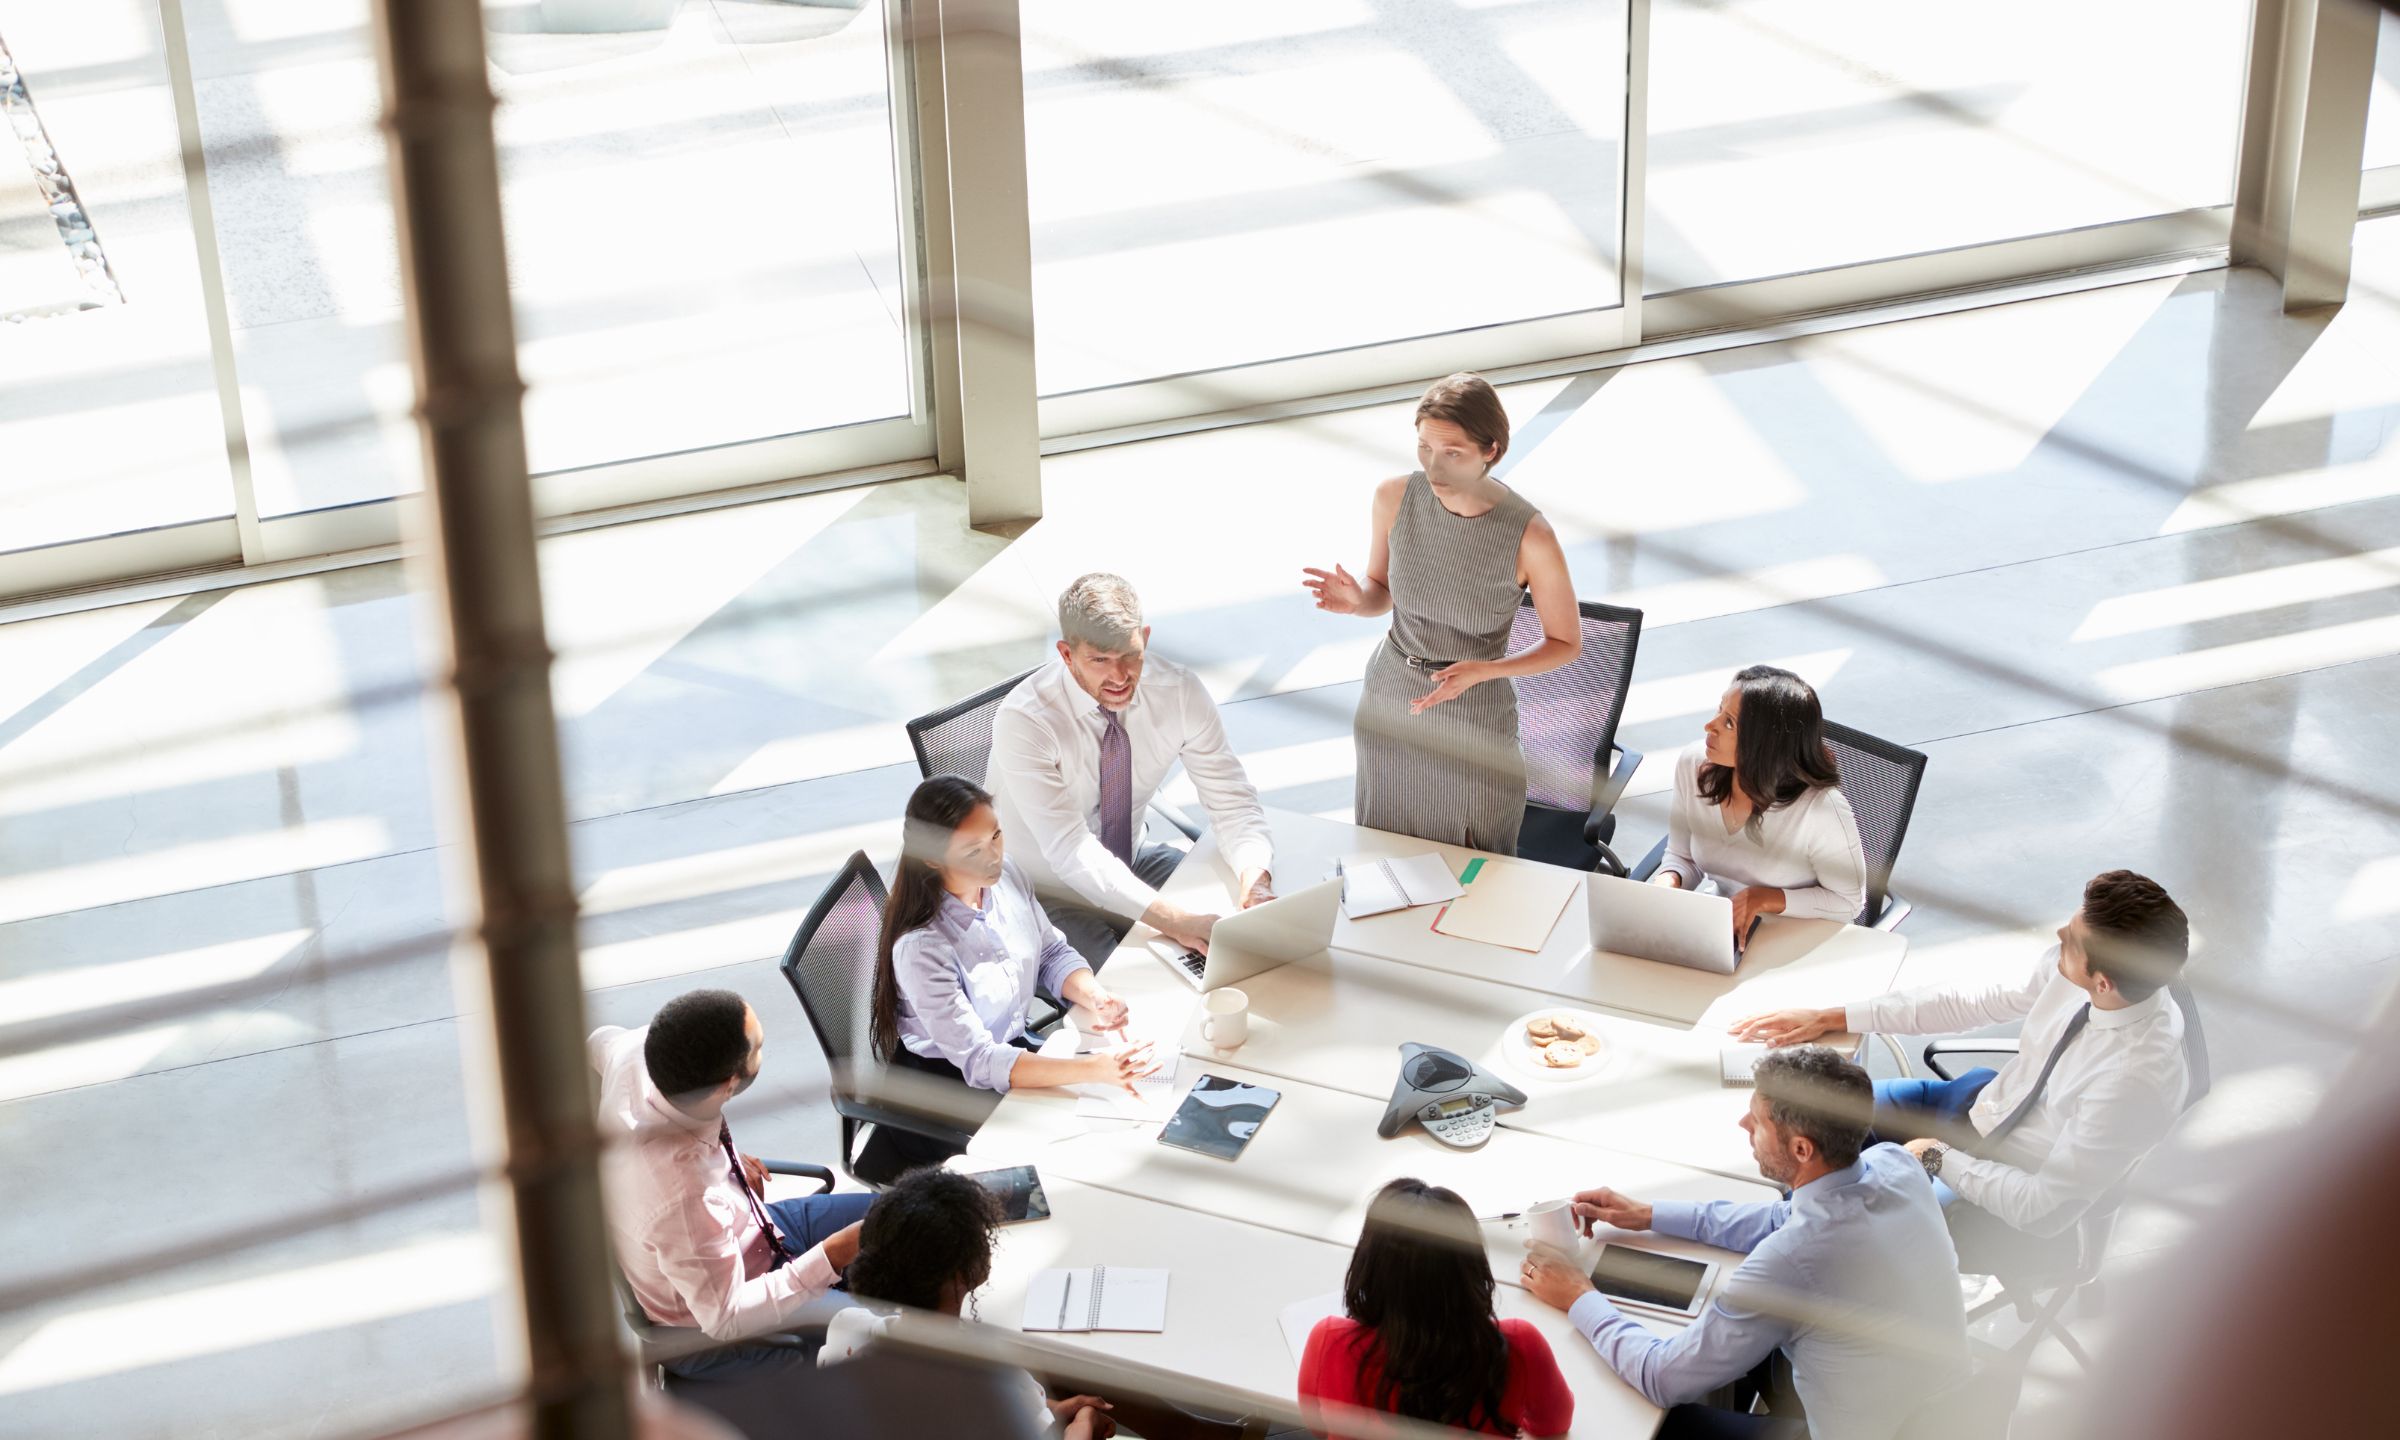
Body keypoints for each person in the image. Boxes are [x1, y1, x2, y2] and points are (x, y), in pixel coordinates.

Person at [1728, 870, 2191, 1274]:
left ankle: (1769, 1285)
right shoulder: (2080, 969)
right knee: (1806, 1114)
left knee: (1841, 1229)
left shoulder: (2136, 1082)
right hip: (1978, 1106)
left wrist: (1937, 1157)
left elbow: (2044, 1210)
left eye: (2070, 939)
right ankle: (1780, 1239)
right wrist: (1836, 1016)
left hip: (2008, 1188)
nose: (2057, 936)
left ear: (2103, 982)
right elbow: (1974, 999)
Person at [1521, 1047, 1967, 1440]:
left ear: (1801, 1150)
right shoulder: (1891, 1162)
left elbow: (1661, 1377)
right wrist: (1649, 1214)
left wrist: (1580, 1296)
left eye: (1758, 1120)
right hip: (1942, 1404)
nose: (1743, 1122)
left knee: (1666, 1423)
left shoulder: (1790, 1262)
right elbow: (1782, 1215)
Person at [1301, 372, 1581, 854]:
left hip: (1474, 712)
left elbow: (1566, 643)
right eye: (1425, 448)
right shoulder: (1394, 497)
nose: (1435, 468)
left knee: (1476, 863)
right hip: (1391, 695)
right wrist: (1357, 601)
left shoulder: (1531, 536)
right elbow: (1382, 590)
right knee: (1385, 852)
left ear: (1490, 449)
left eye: (1453, 452)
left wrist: (1487, 671)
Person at [866, 775, 1157, 1171]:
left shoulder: (1008, 878)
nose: (993, 857)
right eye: (973, 851)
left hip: (1011, 1050)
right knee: (1084, 1153)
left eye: (997, 837)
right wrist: (1094, 1070)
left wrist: (1093, 995)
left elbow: (1051, 953)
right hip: (948, 1094)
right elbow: (980, 1060)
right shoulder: (922, 948)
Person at [988, 572, 1277, 963]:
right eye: (1100, 660)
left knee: (1243, 942)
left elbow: (1233, 802)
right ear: (1067, 654)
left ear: (1146, 637)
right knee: (1127, 987)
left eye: (1130, 654)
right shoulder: (1026, 720)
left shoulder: (1178, 693)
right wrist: (1175, 920)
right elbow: (1070, 851)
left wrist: (1255, 878)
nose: (1120, 676)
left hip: (1132, 857)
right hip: (1044, 890)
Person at [590, 989, 875, 1379]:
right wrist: (833, 1254)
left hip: (757, 1227)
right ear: (728, 1084)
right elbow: (726, 1318)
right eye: (758, 1047)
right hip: (716, 1320)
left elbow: (592, 1042)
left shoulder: (636, 1050)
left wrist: (717, 1154)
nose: (764, 1048)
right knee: (891, 1342)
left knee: (900, 1213)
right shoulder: (684, 1195)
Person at [819, 1167, 1119, 1439]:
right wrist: (1084, 1424)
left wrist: (1050, 1409)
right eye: (983, 1238)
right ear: (963, 1273)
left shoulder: (847, 1329)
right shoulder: (987, 1376)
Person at [1298, 1178, 1573, 1439]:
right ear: (1471, 1268)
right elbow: (1553, 1424)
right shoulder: (1518, 1344)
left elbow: (1317, 1427)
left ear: (1370, 1265)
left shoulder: (1329, 1340)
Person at [1651, 664, 1867, 950]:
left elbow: (1848, 902)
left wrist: (1765, 897)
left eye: (1729, 723)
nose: (1709, 726)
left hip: (1797, 941)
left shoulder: (1821, 809)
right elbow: (1682, 856)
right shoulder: (1694, 765)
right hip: (1724, 932)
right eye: (1719, 710)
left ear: (1765, 744)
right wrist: (1668, 883)